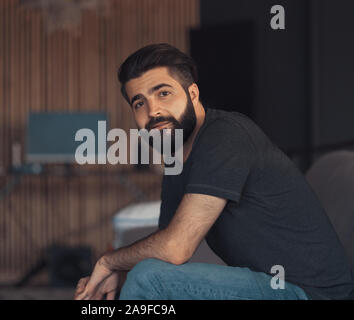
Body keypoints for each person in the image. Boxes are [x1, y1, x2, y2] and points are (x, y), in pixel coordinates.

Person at [74, 43, 354, 300]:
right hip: (269, 284)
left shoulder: (225, 135)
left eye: (163, 93)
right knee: (145, 274)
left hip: (307, 293)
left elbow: (176, 247)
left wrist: (108, 261)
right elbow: (164, 249)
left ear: (192, 93)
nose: (153, 110)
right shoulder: (176, 156)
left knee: (150, 280)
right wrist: (121, 274)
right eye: (139, 102)